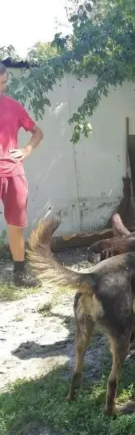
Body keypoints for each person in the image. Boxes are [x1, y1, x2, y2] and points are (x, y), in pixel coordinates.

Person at [0, 62, 44, 287]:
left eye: (4, 82)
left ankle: (19, 275)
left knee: (17, 225)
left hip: (13, 172)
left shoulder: (13, 106)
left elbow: (38, 132)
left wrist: (26, 150)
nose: (2, 87)